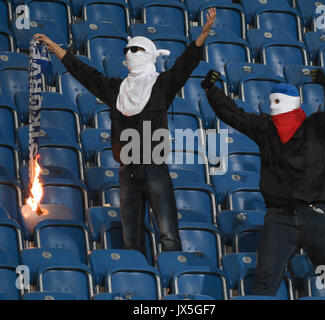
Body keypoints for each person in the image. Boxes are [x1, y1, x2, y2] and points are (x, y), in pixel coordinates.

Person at [34, 8, 217, 259]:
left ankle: (176, 290)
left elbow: (185, 64)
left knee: (169, 235)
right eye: (128, 51)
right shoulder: (117, 89)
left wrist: (204, 32)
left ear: (149, 55)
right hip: (127, 172)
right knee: (132, 239)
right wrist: (56, 48)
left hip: (154, 168)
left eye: (136, 50)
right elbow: (85, 74)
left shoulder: (162, 85)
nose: (130, 54)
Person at [201, 69, 325, 299]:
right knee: (265, 283)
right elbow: (233, 115)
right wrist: (211, 91)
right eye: (271, 100)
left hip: (315, 219)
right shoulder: (266, 129)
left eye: (279, 101)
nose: (274, 105)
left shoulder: (317, 127)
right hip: (280, 221)